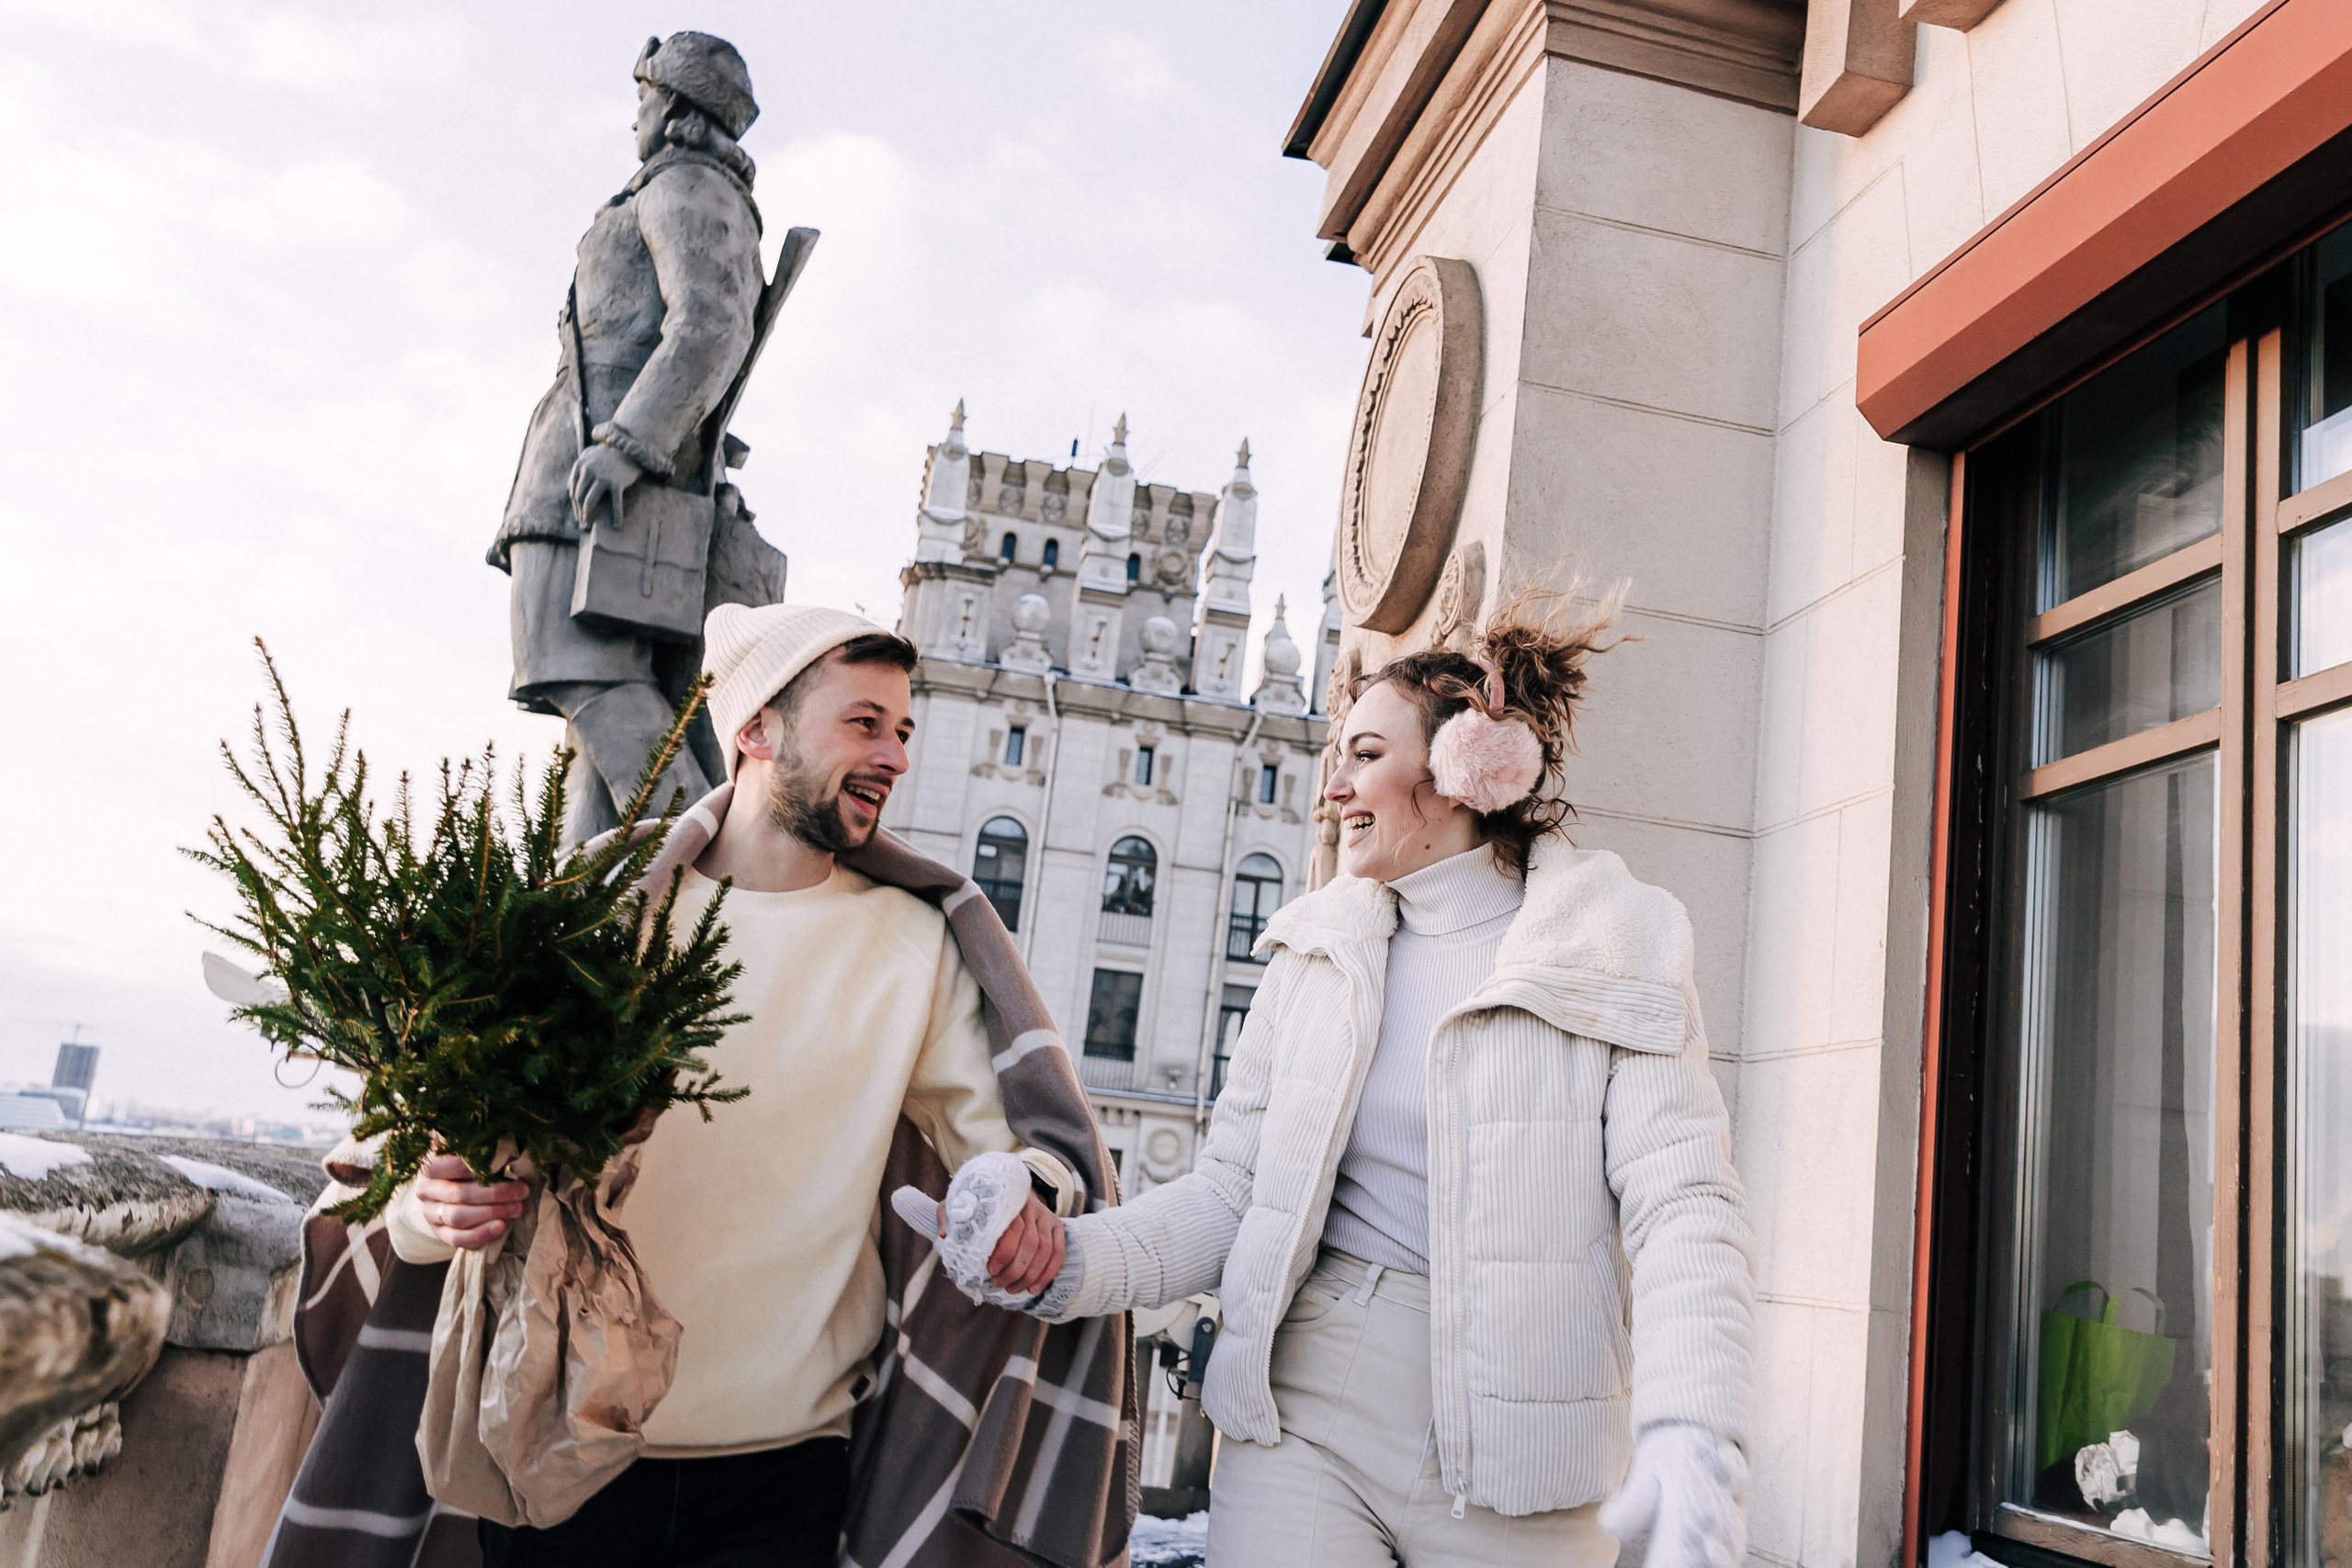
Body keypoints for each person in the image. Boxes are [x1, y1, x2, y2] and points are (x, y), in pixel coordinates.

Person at [972, 593, 1756, 1568]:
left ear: (1472, 766)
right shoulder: (1313, 948)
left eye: (1365, 754)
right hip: (1308, 1408)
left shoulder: (1616, 940)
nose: (1331, 785)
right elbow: (1229, 1197)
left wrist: (1692, 1421)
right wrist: (1066, 1260)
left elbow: (1682, 1205)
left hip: (1530, 1452)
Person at [390, 604, 1081, 1567]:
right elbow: (426, 1176)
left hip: (784, 1477)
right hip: (559, 1453)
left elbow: (1009, 1159)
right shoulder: (601, 915)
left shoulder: (914, 946)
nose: (895, 755)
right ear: (754, 730)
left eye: (903, 730)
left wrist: (1031, 1201)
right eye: (864, 723)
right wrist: (431, 1208)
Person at [491, 31, 770, 841]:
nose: (636, 116)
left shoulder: (689, 185)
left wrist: (628, 444)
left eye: (644, 97)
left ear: (675, 107)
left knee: (592, 677)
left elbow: (711, 325)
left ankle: (710, 876)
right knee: (592, 711)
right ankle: (579, 912)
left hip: (609, 488)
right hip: (589, 476)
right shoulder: (667, 185)